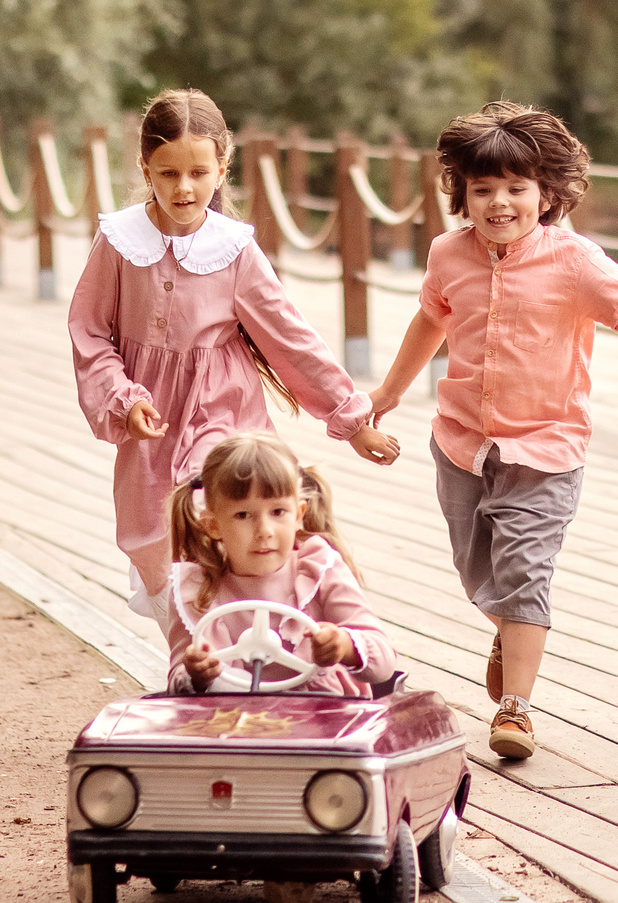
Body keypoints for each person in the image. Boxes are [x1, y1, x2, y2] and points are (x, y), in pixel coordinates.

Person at [366, 102, 618, 761]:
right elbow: (429, 320)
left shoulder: (577, 261)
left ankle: (516, 707)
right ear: (462, 192)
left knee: (525, 573)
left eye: (516, 188)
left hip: (545, 448)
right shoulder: (447, 253)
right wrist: (388, 392)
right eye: (483, 189)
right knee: (474, 573)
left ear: (547, 192)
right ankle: (511, 631)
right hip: (461, 441)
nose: (499, 203)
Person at [69, 89, 398, 657]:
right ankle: (194, 671)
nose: (184, 188)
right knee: (157, 547)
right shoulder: (119, 242)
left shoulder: (235, 251)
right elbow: (90, 331)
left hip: (226, 418)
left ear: (222, 168)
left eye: (199, 172)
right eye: (168, 172)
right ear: (145, 166)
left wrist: (352, 418)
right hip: (149, 429)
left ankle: (263, 655)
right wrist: (122, 398)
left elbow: (291, 340)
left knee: (227, 522)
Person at [163, 433, 398, 697]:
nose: (264, 531)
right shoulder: (198, 590)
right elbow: (177, 680)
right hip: (235, 720)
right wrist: (197, 673)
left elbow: (384, 663)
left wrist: (344, 646)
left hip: (326, 716)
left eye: (278, 512)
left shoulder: (319, 568)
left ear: (299, 515)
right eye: (243, 515)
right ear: (213, 525)